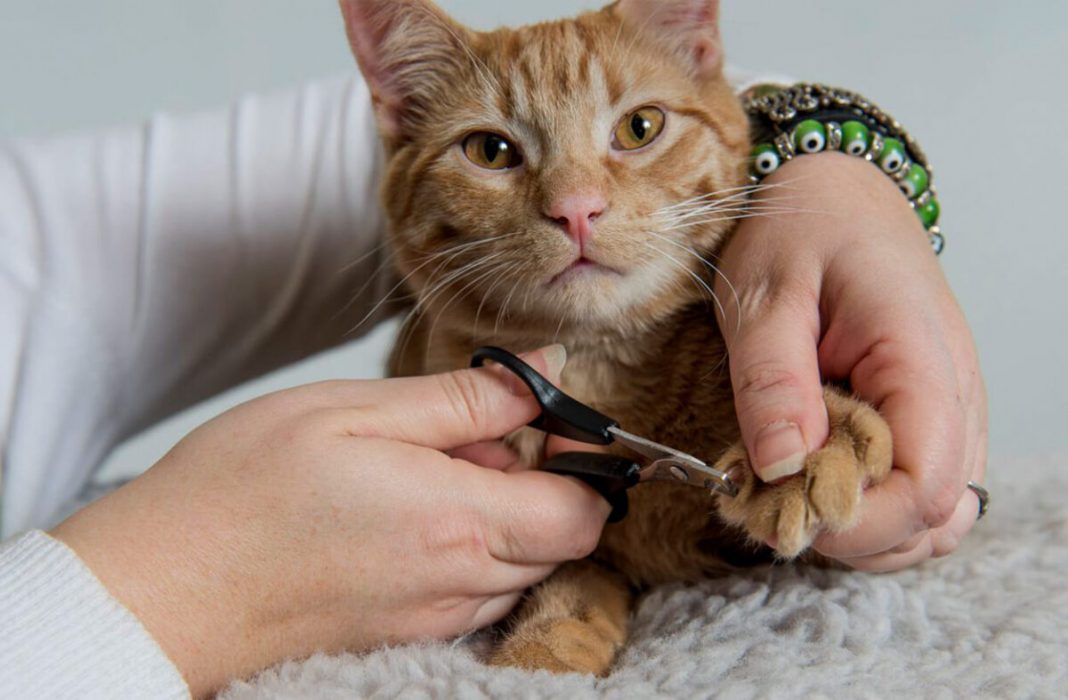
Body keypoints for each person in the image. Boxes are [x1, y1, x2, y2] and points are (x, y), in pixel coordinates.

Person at [0, 69, 987, 697]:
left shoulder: (50, 237)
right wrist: (174, 586)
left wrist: (838, 171)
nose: (574, 206)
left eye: (628, 136)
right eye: (500, 157)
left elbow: (607, 87)